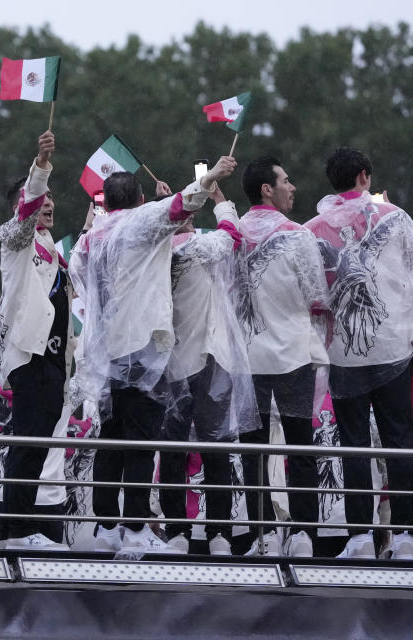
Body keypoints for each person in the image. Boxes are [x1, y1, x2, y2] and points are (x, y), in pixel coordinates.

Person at [73, 156, 235, 553]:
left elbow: (79, 273)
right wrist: (212, 177)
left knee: (112, 439)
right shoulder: (141, 221)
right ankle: (133, 528)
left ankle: (106, 527)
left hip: (109, 347)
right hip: (144, 345)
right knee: (143, 440)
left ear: (104, 204)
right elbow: (183, 205)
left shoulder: (93, 236)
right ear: (142, 199)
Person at [305, 147, 413, 560]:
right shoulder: (396, 218)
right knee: (398, 441)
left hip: (343, 352)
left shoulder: (311, 229)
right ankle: (405, 539)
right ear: (364, 176)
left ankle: (360, 537)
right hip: (393, 346)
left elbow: (312, 293)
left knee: (353, 446)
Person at [235, 156, 329, 557]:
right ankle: (304, 534)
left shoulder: (230, 234)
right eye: (286, 181)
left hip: (247, 357)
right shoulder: (298, 236)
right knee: (300, 446)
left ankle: (262, 535)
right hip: (292, 355)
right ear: (267, 190)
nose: (293, 187)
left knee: (253, 449)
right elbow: (317, 296)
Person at [158, 182, 259, 556]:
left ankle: (180, 533)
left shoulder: (154, 253)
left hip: (182, 362)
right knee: (211, 449)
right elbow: (230, 236)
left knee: (177, 450)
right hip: (199, 361)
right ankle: (217, 533)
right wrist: (221, 201)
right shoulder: (198, 247)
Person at [0, 130, 75, 550]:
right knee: (26, 444)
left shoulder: (55, 251)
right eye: (40, 203)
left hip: (55, 361)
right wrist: (41, 166)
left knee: (38, 443)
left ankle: (17, 530)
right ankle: (17, 533)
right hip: (31, 355)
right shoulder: (16, 240)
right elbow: (26, 209)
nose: (47, 207)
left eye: (51, 204)